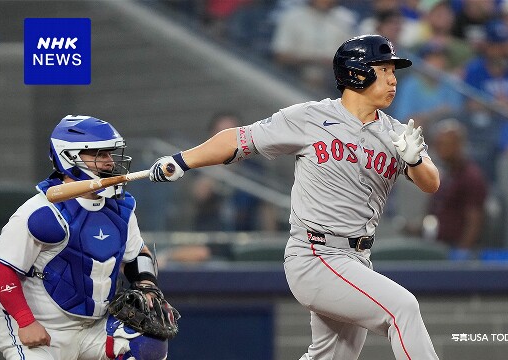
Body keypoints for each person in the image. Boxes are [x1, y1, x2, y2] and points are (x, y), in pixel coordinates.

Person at [148, 35, 440, 360]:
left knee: (332, 356)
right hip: (315, 254)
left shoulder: (396, 132)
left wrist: (414, 160)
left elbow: (431, 183)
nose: (392, 79)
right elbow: (239, 139)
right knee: (402, 309)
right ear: (357, 73)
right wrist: (182, 160)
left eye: (393, 71)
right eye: (384, 69)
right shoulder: (310, 117)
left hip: (357, 259)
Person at [0, 116, 172, 359]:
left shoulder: (121, 208)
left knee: (149, 344)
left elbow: (137, 254)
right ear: (69, 157)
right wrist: (26, 322)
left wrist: (146, 284)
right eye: (100, 154)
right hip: (40, 327)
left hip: (94, 327)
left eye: (110, 154)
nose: (110, 162)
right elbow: (2, 270)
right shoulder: (40, 212)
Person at [426, 118, 488, 249]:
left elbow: (474, 222)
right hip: (437, 246)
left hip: (454, 252)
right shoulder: (446, 175)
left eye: (444, 144)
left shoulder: (471, 177)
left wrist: (461, 257)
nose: (439, 149)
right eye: (438, 144)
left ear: (458, 145)